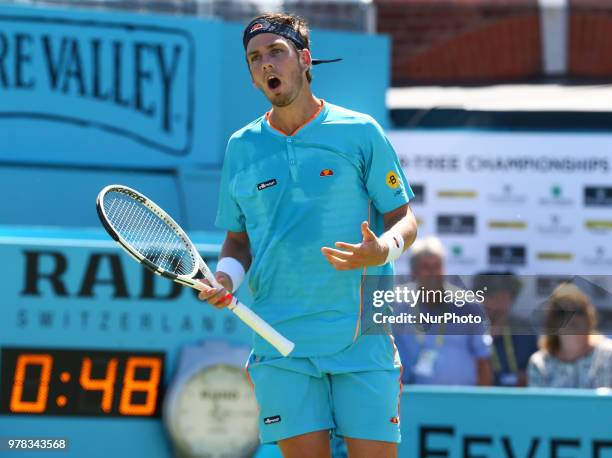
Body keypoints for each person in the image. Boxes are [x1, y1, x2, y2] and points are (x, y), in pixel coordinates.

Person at [197, 13, 418, 458]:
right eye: (254, 59)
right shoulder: (241, 147)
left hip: (362, 339)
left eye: (276, 52)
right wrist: (226, 280)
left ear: (304, 59)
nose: (266, 65)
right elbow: (238, 241)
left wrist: (381, 250)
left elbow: (405, 218)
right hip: (281, 343)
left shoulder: (359, 132)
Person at [394, 236, 493, 386]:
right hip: (412, 399)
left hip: (461, 400)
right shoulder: (395, 304)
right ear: (414, 272)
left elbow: (483, 360)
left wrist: (484, 403)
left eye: (437, 266)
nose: (433, 273)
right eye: (426, 267)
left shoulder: (468, 305)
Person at [528, 283, 612, 388]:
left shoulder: (608, 355)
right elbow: (538, 403)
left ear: (589, 318)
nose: (571, 318)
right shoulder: (539, 363)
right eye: (562, 312)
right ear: (552, 320)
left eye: (578, 311)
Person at [473, 271, 538, 387]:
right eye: (492, 297)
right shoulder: (468, 333)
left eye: (505, 297)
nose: (498, 303)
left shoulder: (525, 330)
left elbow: (536, 368)